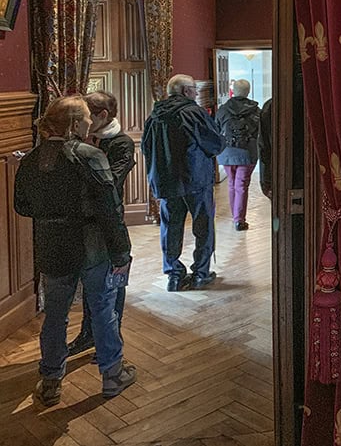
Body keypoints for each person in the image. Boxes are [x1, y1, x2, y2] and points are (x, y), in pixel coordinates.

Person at [14, 96, 136, 406]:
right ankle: (112, 375)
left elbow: (22, 205)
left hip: (52, 243)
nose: (87, 124)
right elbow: (110, 208)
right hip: (92, 244)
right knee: (103, 309)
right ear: (74, 124)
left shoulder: (30, 159)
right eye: (83, 119)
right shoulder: (90, 155)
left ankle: (52, 378)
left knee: (55, 314)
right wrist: (121, 252)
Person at [67, 90, 136, 357]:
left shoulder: (122, 143)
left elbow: (110, 183)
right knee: (90, 283)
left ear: (102, 116)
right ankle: (88, 334)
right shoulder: (81, 140)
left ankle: (110, 337)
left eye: (86, 115)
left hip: (109, 222)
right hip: (83, 222)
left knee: (113, 283)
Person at [141, 74, 225, 292]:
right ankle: (200, 273)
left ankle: (174, 276)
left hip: (166, 181)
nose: (197, 94)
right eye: (194, 90)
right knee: (203, 226)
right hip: (195, 179)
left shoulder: (155, 115)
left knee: (170, 227)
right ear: (186, 91)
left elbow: (145, 148)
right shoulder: (193, 113)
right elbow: (214, 143)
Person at [216, 79, 261, 230]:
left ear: (233, 91)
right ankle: (239, 219)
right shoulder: (255, 110)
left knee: (231, 183)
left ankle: (235, 216)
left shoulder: (222, 109)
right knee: (241, 185)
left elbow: (216, 129)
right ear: (248, 91)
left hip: (226, 152)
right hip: (247, 152)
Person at [258, 98, 273, 200]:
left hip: (274, 166)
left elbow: (264, 146)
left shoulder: (270, 106)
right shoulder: (269, 107)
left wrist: (266, 182)